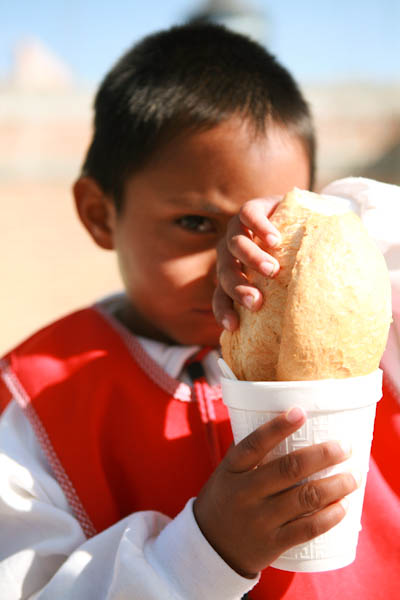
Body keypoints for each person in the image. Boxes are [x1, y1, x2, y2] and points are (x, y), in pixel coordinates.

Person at [0, 21, 398, 599]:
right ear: (100, 214)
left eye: (269, 227)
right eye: (195, 224)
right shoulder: (36, 406)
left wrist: (337, 223)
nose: (232, 264)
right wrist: (202, 553)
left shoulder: (371, 331)